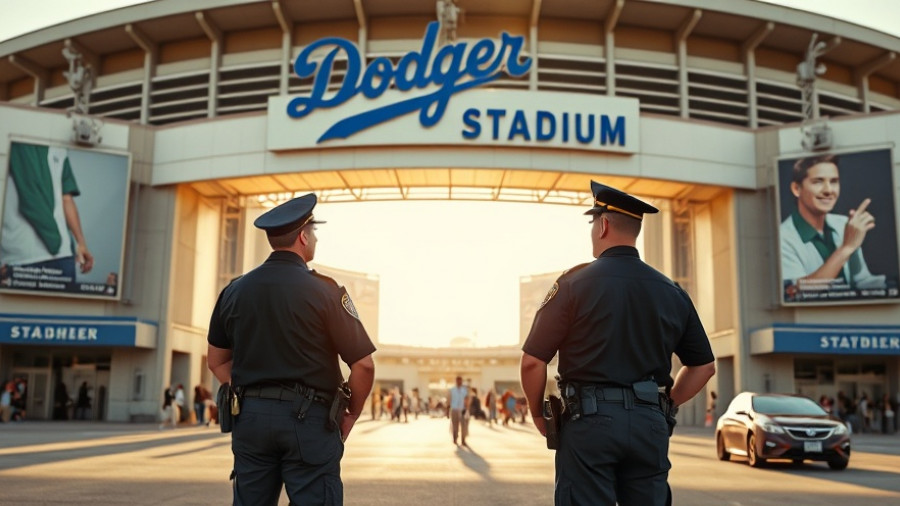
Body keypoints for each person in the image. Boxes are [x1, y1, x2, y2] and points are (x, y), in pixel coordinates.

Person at [520, 181, 716, 506]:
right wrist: (665, 407)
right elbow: (704, 367)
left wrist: (539, 415)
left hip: (589, 424)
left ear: (604, 225)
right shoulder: (672, 291)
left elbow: (532, 361)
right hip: (649, 424)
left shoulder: (573, 284)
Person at [207, 193, 376, 505]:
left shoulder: (234, 290)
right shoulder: (324, 291)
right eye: (314, 233)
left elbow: (216, 361)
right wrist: (350, 414)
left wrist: (251, 393)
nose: (315, 240)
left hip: (251, 420)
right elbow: (363, 365)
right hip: (309, 419)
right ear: (302, 236)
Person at [781, 154, 884, 299]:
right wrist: (846, 248)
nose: (829, 190)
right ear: (797, 189)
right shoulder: (782, 238)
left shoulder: (844, 224)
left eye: (834, 181)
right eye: (818, 182)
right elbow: (795, 292)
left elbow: (862, 282)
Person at [0, 143, 94, 287]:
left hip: (21, 257)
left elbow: (66, 199)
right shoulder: (59, 147)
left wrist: (81, 244)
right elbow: (67, 199)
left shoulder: (8, 140)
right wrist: (81, 243)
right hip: (58, 257)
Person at [448, 375, 469, 445]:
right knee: (455, 425)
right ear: (456, 381)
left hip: (462, 409)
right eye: (458, 380)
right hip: (454, 409)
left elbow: (466, 399)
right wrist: (448, 409)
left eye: (460, 380)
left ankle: (463, 440)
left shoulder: (464, 390)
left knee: (463, 425)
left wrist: (466, 408)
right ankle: (455, 438)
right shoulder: (452, 390)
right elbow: (449, 399)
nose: (459, 382)